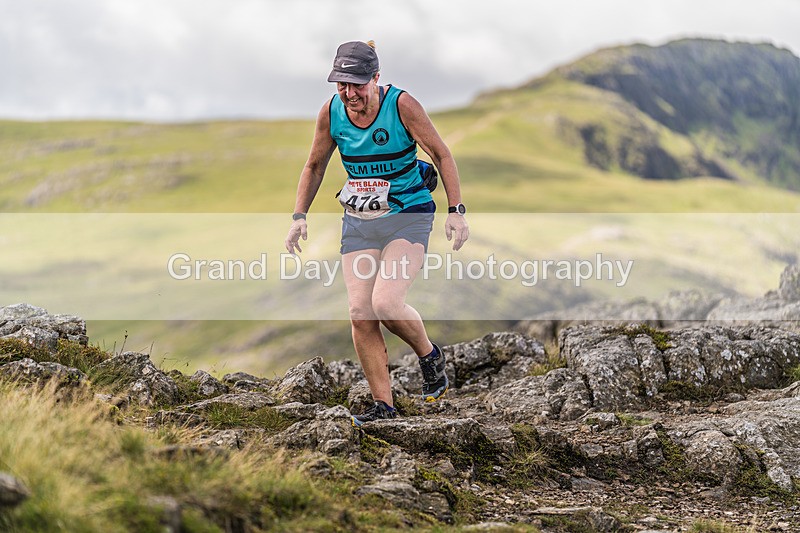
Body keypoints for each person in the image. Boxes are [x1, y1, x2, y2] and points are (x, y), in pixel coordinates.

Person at [284, 40, 469, 427]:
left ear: (375, 78)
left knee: (386, 303)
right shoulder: (331, 112)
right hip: (360, 219)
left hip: (408, 214)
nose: (349, 94)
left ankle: (429, 354)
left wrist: (456, 211)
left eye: (357, 84)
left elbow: (441, 154)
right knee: (360, 312)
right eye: (341, 84)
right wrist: (299, 215)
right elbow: (314, 165)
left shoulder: (401, 105)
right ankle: (383, 406)